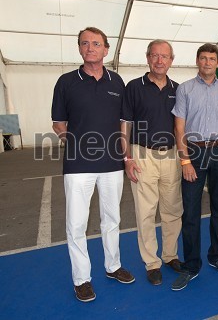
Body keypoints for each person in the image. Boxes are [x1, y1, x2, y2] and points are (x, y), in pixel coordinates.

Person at [51, 27, 134, 303]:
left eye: (96, 44)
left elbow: (124, 124)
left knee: (112, 219)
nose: (90, 48)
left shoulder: (117, 82)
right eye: (85, 43)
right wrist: (72, 141)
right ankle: (82, 279)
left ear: (106, 49)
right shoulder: (65, 82)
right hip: (78, 166)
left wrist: (126, 155)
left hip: (112, 164)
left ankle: (113, 266)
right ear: (79, 48)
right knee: (76, 224)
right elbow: (58, 123)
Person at [171, 43, 218, 291]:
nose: (208, 62)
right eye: (203, 58)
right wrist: (185, 160)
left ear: (217, 62)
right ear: (197, 61)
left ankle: (217, 256)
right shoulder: (185, 89)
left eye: (212, 59)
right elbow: (179, 128)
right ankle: (191, 265)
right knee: (190, 212)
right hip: (195, 152)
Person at [120, 39, 183, 286]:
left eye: (164, 56)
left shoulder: (179, 89)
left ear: (171, 60)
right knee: (145, 212)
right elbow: (124, 124)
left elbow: (183, 126)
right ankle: (152, 262)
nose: (159, 60)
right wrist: (127, 157)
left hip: (172, 156)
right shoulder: (134, 87)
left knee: (172, 210)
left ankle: (170, 255)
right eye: (155, 55)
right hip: (142, 153)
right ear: (147, 58)